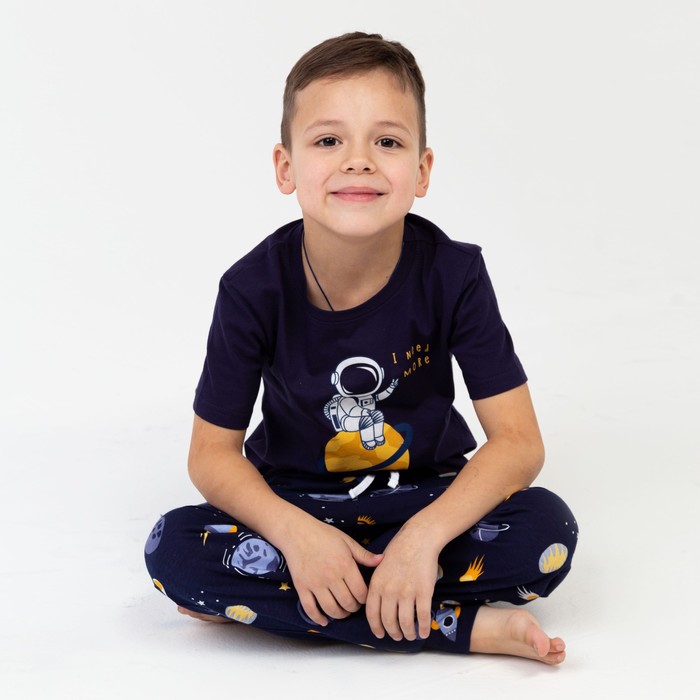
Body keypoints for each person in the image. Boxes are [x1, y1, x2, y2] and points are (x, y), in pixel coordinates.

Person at [144, 31, 578, 664]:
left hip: (423, 497)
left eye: (387, 142)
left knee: (547, 530)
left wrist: (422, 540)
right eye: (328, 141)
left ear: (422, 170)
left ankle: (293, 602)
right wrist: (297, 537)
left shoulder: (454, 275)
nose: (358, 161)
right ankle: (460, 627)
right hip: (296, 504)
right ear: (285, 167)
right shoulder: (251, 289)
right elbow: (211, 454)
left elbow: (518, 442)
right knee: (173, 548)